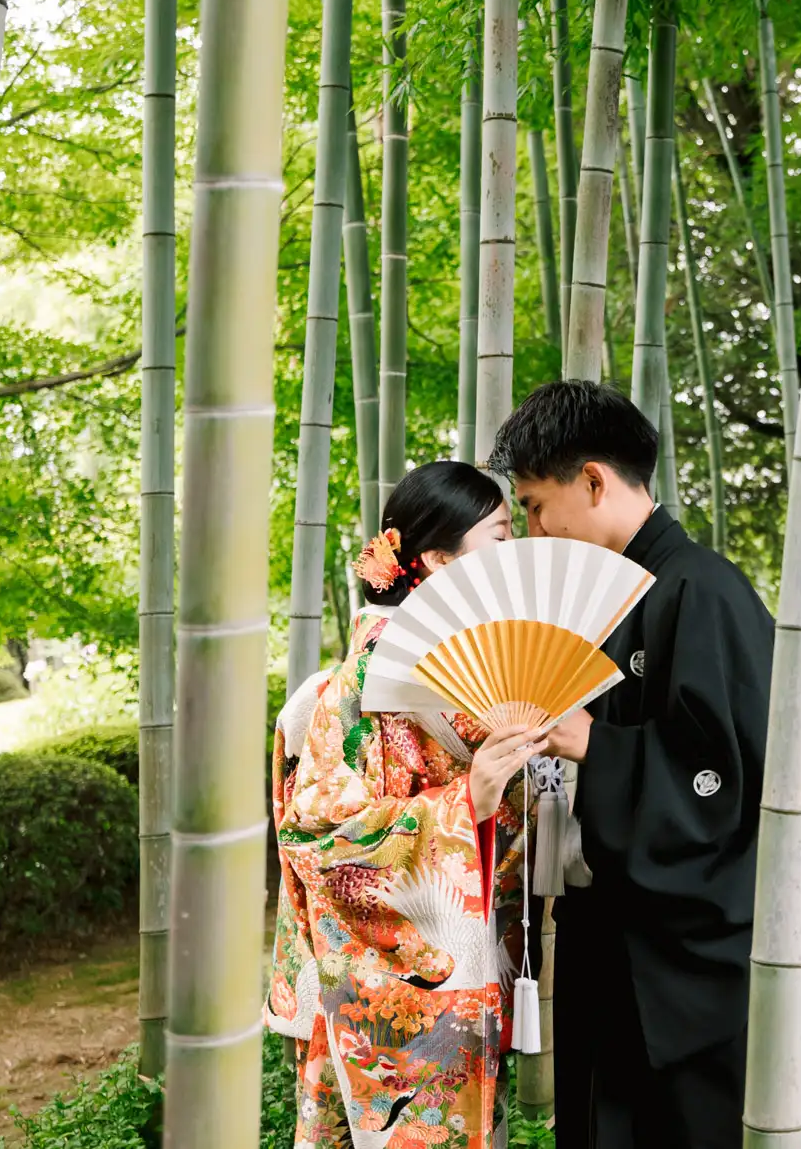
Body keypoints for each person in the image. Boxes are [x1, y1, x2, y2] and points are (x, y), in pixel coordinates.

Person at [488, 380, 801, 1149]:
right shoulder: (616, 599)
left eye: (536, 504)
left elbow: (732, 789)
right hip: (628, 949)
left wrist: (593, 745)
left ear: (594, 480)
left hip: (713, 970)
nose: (532, 528)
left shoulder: (702, 591)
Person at [266, 459, 555, 1149]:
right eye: (499, 536)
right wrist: (466, 799)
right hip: (398, 985)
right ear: (435, 558)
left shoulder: (471, 658)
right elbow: (321, 835)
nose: (512, 552)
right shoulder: (369, 673)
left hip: (466, 960)